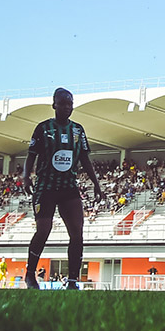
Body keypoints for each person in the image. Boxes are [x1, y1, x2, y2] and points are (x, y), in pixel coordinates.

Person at [23, 87, 103, 290]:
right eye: (63, 103)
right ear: (54, 105)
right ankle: (30, 275)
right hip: (46, 187)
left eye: (70, 104)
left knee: (77, 232)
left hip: (69, 187)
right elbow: (31, 154)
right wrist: (25, 177)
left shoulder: (78, 130)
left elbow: (85, 158)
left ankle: (73, 280)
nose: (67, 107)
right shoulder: (43, 128)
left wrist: (96, 183)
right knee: (44, 230)